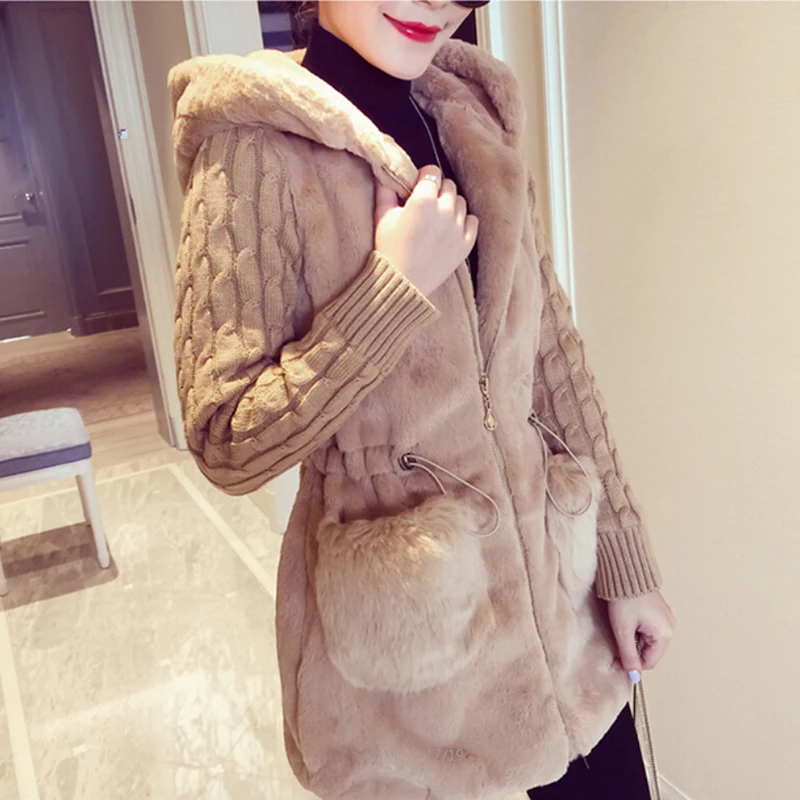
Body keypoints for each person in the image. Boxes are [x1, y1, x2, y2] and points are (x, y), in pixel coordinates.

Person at [169, 2, 676, 798]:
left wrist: (623, 557)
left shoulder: (474, 120)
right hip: (413, 681)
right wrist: (390, 292)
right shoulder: (250, 148)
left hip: (565, 629)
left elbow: (552, 359)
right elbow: (226, 438)